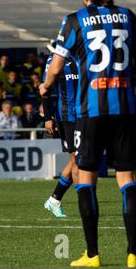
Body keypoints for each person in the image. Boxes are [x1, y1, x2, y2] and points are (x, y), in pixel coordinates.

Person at [39, 0, 136, 268]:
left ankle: (92, 254)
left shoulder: (75, 19)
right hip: (124, 110)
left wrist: (46, 87)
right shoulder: (128, 16)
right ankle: (133, 253)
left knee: (86, 178)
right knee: (128, 178)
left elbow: (57, 66)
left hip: (91, 112)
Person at [42, 47, 79, 218]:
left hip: (87, 114)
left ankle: (54, 199)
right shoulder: (56, 60)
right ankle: (85, 204)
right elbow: (45, 89)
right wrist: (47, 117)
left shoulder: (84, 57)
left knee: (80, 160)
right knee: (77, 160)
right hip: (67, 116)